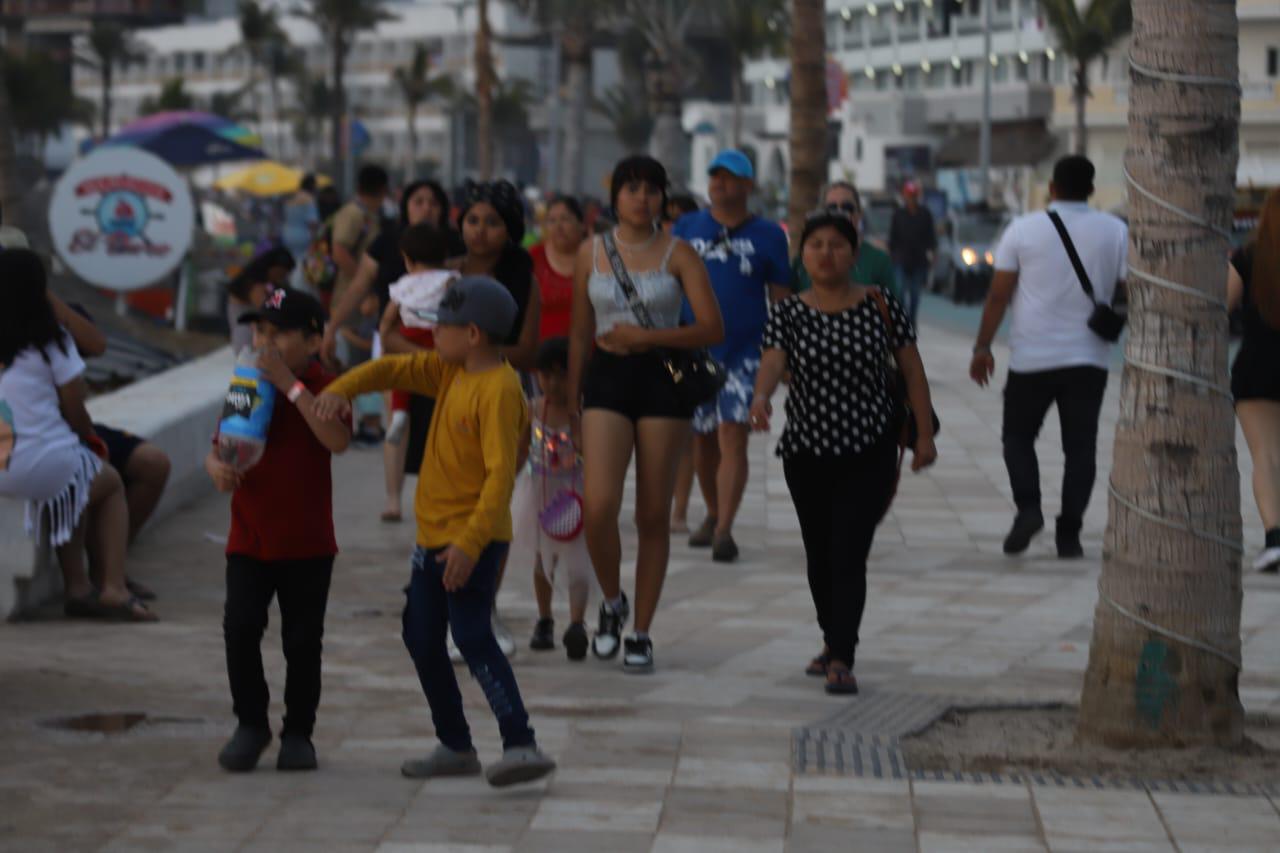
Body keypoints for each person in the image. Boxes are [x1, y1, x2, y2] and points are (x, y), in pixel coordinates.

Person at [315, 275, 557, 787]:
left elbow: (500, 476)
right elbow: (392, 367)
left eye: (439, 328)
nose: (432, 338)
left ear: (472, 333)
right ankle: (454, 742)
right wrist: (339, 388)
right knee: (422, 638)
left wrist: (470, 545)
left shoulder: (498, 390)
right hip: (431, 540)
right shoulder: (450, 371)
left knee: (471, 636)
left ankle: (521, 743)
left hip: (470, 540)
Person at [749, 212, 936, 695]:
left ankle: (842, 655)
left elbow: (911, 369)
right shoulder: (788, 312)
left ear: (855, 255)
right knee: (820, 554)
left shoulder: (880, 303)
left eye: (836, 245)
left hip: (868, 447)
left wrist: (924, 436)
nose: (825, 253)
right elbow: (773, 361)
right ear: (802, 256)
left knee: (850, 552)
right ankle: (832, 638)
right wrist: (761, 398)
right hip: (807, 451)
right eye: (816, 245)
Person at [567, 155, 724, 673]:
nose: (642, 198)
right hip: (606, 381)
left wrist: (647, 337)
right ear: (615, 197)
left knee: (653, 513)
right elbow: (578, 333)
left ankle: (642, 631)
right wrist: (569, 399)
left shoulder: (680, 254)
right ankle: (612, 603)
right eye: (632, 188)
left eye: (652, 189)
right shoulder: (591, 251)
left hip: (663, 381)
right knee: (598, 506)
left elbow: (710, 328)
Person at [206, 287, 351, 773]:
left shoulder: (325, 385)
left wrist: (291, 384)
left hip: (307, 543)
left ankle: (298, 733)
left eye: (279, 333)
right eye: (260, 330)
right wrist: (217, 466)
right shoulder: (246, 382)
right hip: (249, 537)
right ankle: (251, 723)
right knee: (241, 628)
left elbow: (336, 439)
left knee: (302, 641)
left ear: (313, 341)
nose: (265, 341)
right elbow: (221, 443)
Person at [969, 155, 1127, 559]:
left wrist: (983, 347)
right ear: (1091, 190)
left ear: (1052, 188)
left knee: (1018, 437)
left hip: (1031, 357)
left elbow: (999, 294)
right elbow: (1128, 291)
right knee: (1080, 448)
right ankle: (1069, 534)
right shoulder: (1115, 231)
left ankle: (1029, 507)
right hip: (1089, 358)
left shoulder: (1023, 229)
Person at [0, 249, 155, 622]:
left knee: (74, 486)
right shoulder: (53, 342)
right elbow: (75, 408)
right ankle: (114, 588)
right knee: (108, 482)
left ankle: (78, 587)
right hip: (40, 463)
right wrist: (86, 437)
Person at [673, 149, 790, 562]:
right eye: (715, 176)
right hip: (694, 352)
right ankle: (713, 511)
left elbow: (781, 300)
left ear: (748, 185)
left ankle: (724, 530)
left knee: (732, 434)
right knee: (702, 440)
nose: (720, 183)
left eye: (730, 177)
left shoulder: (770, 235)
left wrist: (784, 354)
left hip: (746, 352)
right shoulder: (687, 227)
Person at [322, 179, 453, 523]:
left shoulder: (450, 246)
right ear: (407, 205)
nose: (426, 207)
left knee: (428, 419)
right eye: (419, 201)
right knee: (407, 417)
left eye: (433, 201)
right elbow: (358, 288)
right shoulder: (387, 242)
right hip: (416, 350)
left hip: (433, 352)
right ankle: (394, 498)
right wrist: (332, 326)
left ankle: (431, 492)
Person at [58, 301, 171, 599]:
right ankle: (104, 579)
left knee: (154, 463)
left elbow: (97, 344)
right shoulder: (19, 337)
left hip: (77, 426)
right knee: (96, 477)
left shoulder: (55, 315)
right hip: (48, 437)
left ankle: (107, 564)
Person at [514, 338, 593, 658]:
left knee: (578, 561)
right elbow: (520, 449)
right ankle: (545, 618)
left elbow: (592, 452)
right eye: (546, 376)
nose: (553, 383)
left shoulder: (583, 411)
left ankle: (576, 623)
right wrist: (508, 479)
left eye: (562, 376)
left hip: (575, 492)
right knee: (541, 558)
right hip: (539, 491)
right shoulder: (533, 408)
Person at [1227, 188, 1280, 573]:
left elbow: (1220, 305)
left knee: (1266, 455)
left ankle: (1275, 538)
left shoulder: (1247, 257)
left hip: (1258, 365)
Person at [379, 222, 457, 454]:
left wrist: (385, 333)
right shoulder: (449, 279)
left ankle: (400, 414)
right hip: (438, 335)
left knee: (403, 376)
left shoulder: (404, 284)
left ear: (407, 258)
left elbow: (388, 317)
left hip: (409, 335)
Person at [663, 193, 702, 533]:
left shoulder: (694, 259)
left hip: (685, 354)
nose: (672, 227)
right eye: (667, 219)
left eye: (679, 220)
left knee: (686, 435)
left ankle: (679, 510)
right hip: (651, 355)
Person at [792, 181, 898, 298]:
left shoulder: (879, 261)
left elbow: (894, 308)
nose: (840, 212)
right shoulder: (803, 262)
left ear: (859, 214)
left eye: (847, 207)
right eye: (832, 208)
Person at [329, 164, 389, 319]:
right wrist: (364, 283)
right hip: (348, 298)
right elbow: (339, 252)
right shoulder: (353, 213)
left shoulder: (369, 215)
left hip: (361, 300)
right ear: (383, 190)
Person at [531, 196, 586, 342]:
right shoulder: (533, 258)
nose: (558, 226)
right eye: (552, 220)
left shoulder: (596, 258)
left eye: (565, 219)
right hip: (539, 355)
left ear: (582, 224)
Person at [227, 248, 295, 355]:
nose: (281, 277)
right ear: (272, 267)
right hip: (246, 329)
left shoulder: (267, 282)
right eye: (280, 273)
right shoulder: (255, 283)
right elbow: (266, 308)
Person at [888, 180, 937, 326]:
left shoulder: (925, 214)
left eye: (914, 195)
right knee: (901, 291)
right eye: (909, 195)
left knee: (915, 294)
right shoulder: (898, 214)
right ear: (904, 196)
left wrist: (933, 254)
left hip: (919, 260)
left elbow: (931, 237)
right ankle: (904, 318)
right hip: (900, 259)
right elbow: (893, 237)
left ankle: (912, 320)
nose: (911, 198)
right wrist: (891, 255)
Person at [282, 175, 320, 292]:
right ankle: (298, 290)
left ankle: (289, 289)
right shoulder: (309, 199)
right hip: (303, 236)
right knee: (302, 266)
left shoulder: (291, 198)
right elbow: (312, 222)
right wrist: (316, 239)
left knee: (292, 264)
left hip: (287, 235)